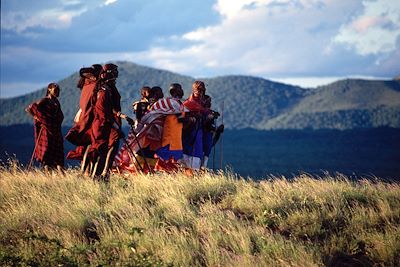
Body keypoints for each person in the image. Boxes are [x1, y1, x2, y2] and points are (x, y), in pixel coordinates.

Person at [65, 65, 102, 160]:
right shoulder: (94, 86)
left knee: (86, 145)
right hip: (89, 115)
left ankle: (85, 169)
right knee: (92, 141)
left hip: (82, 114)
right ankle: (88, 170)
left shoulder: (87, 85)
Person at [25, 83, 64, 172]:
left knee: (57, 152)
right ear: (49, 90)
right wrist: (37, 117)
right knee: (47, 151)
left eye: (58, 90)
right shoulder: (44, 101)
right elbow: (30, 108)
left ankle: (61, 174)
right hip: (46, 131)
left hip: (55, 130)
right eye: (55, 90)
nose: (57, 92)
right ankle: (47, 174)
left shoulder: (56, 102)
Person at [181, 81, 207, 170]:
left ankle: (196, 172)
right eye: (198, 89)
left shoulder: (204, 102)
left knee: (199, 151)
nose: (201, 91)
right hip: (189, 132)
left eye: (202, 89)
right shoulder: (188, 103)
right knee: (188, 152)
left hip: (199, 130)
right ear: (194, 89)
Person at [201, 95, 224, 168]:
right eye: (207, 101)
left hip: (207, 144)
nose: (209, 103)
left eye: (210, 101)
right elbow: (204, 125)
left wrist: (218, 131)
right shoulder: (200, 113)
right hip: (202, 144)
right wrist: (217, 130)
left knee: (203, 165)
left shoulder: (210, 113)